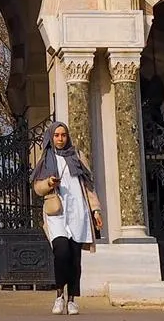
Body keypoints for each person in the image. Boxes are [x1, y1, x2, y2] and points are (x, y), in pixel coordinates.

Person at [32, 120, 101, 316]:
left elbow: (88, 186)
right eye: (57, 135)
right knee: (61, 253)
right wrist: (48, 182)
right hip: (57, 213)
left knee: (75, 259)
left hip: (78, 212)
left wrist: (96, 210)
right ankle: (59, 295)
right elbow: (37, 188)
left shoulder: (77, 156)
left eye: (63, 135)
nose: (60, 139)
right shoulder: (45, 158)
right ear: (51, 137)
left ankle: (72, 300)